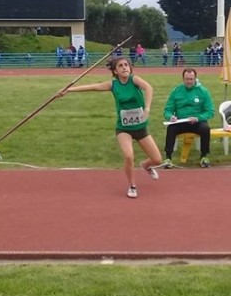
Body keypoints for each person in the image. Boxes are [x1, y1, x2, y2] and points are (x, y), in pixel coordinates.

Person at [57, 57, 163, 199]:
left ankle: (146, 165)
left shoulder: (134, 80)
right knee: (128, 155)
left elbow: (149, 88)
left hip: (140, 127)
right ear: (115, 71)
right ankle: (132, 186)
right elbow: (93, 87)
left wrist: (148, 108)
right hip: (123, 128)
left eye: (126, 65)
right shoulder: (113, 85)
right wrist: (68, 90)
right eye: (120, 66)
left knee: (157, 160)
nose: (124, 67)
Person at [162, 68, 215, 168]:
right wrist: (170, 117)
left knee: (205, 128)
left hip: (196, 121)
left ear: (195, 79)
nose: (189, 81)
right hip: (180, 121)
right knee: (171, 129)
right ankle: (168, 158)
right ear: (183, 79)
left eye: (191, 79)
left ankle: (204, 156)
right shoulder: (176, 91)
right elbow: (167, 110)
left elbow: (210, 111)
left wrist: (198, 118)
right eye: (187, 79)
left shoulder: (203, 91)